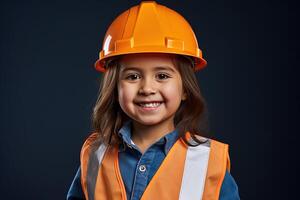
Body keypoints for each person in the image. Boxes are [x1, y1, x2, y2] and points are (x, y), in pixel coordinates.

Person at [67, 1, 240, 200]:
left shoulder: (208, 164)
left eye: (162, 76)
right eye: (132, 76)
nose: (147, 89)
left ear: (185, 88)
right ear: (114, 88)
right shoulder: (95, 155)